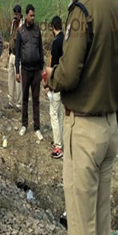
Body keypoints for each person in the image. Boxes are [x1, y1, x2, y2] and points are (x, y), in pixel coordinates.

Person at [43, 0, 118, 235]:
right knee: (100, 226)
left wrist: (52, 75)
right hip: (108, 130)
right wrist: (115, 119)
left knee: (81, 229)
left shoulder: (83, 10)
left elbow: (69, 74)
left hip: (83, 131)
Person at [15, 4, 44, 140]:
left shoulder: (37, 30)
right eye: (31, 15)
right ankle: (24, 124)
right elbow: (18, 52)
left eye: (34, 15)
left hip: (36, 70)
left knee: (36, 99)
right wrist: (17, 70)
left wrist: (42, 69)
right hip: (25, 69)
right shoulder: (21, 31)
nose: (33, 17)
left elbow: (41, 50)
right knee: (25, 98)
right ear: (26, 15)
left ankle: (37, 127)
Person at [47, 15, 65, 159]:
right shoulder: (66, 39)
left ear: (53, 27)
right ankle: (60, 140)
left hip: (56, 81)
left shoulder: (56, 42)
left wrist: (48, 82)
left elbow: (52, 63)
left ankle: (58, 146)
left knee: (53, 113)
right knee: (60, 114)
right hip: (64, 80)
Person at [6, 4, 23, 109]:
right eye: (14, 14)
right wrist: (8, 52)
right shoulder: (13, 23)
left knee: (18, 80)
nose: (15, 16)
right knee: (10, 79)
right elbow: (11, 37)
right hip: (12, 54)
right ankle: (11, 101)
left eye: (17, 14)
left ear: (20, 14)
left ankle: (19, 103)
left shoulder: (23, 25)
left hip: (19, 56)